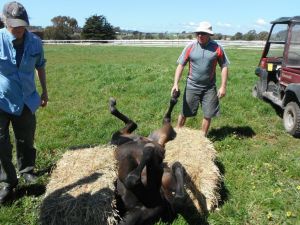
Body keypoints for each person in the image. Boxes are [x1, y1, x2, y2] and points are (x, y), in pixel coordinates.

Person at [0, 1, 48, 204]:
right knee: (1, 142)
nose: (19, 29)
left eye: (22, 24)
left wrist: (45, 91)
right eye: (14, 25)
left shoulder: (35, 42)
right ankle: (8, 181)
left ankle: (27, 170)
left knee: (25, 140)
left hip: (27, 100)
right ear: (4, 21)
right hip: (1, 99)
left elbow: (40, 66)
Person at [171, 21, 229, 137]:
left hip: (209, 88)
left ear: (209, 35)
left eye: (203, 33)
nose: (200, 36)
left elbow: (224, 66)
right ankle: (177, 135)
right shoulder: (190, 47)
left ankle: (202, 138)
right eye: (198, 33)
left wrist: (223, 86)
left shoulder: (217, 48)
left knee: (208, 113)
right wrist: (175, 83)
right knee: (185, 112)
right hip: (192, 86)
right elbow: (181, 65)